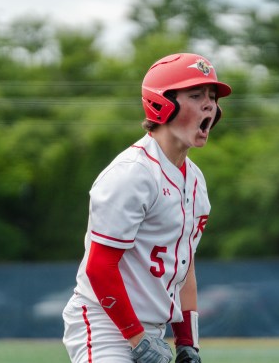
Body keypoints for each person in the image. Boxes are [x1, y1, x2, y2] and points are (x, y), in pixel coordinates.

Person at [62, 52, 232, 363]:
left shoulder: (195, 180)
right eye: (196, 95)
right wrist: (136, 337)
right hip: (106, 327)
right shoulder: (132, 173)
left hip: (151, 330)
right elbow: (99, 268)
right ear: (162, 103)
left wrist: (187, 342)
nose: (210, 105)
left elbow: (185, 266)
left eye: (212, 97)